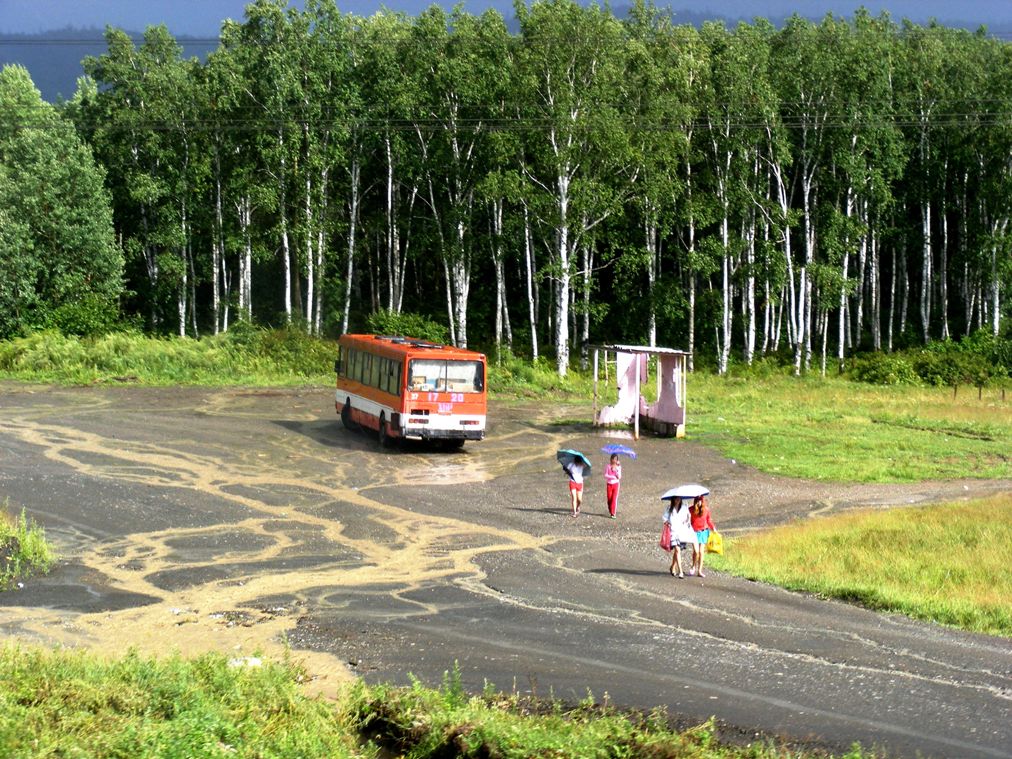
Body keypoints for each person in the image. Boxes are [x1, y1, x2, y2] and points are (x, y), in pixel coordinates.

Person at [663, 497, 696, 578]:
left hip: (682, 532)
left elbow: (688, 517)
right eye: (676, 499)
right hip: (673, 532)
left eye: (679, 499)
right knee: (677, 550)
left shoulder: (684, 508)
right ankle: (681, 571)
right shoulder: (669, 508)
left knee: (677, 551)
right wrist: (667, 522)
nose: (677, 500)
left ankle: (672, 566)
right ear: (673, 500)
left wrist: (687, 519)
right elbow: (664, 517)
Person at [689, 495, 716, 577]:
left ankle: (700, 571)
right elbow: (688, 521)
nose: (699, 502)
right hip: (694, 532)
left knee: (701, 552)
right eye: (697, 500)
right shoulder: (691, 510)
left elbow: (708, 520)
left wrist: (713, 528)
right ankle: (693, 566)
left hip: (704, 532)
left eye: (700, 500)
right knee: (696, 551)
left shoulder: (706, 509)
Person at [603, 453, 622, 519]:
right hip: (609, 484)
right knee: (609, 499)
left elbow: (619, 477)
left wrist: (616, 470)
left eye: (616, 459)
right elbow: (605, 475)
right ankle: (610, 509)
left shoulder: (618, 467)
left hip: (616, 484)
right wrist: (612, 476)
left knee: (614, 499)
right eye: (613, 459)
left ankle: (613, 513)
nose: (614, 460)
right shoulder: (608, 466)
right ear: (611, 459)